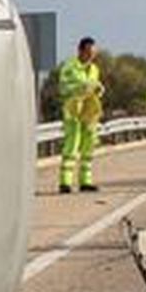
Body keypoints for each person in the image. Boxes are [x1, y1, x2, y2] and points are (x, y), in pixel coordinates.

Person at [56, 36, 104, 193]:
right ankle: (65, 183)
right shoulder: (70, 67)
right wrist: (81, 87)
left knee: (88, 146)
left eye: (94, 52)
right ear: (81, 50)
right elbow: (63, 88)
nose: (91, 55)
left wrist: (99, 89)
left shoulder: (94, 69)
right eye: (89, 52)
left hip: (89, 111)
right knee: (72, 144)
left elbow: (93, 86)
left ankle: (85, 182)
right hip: (73, 110)